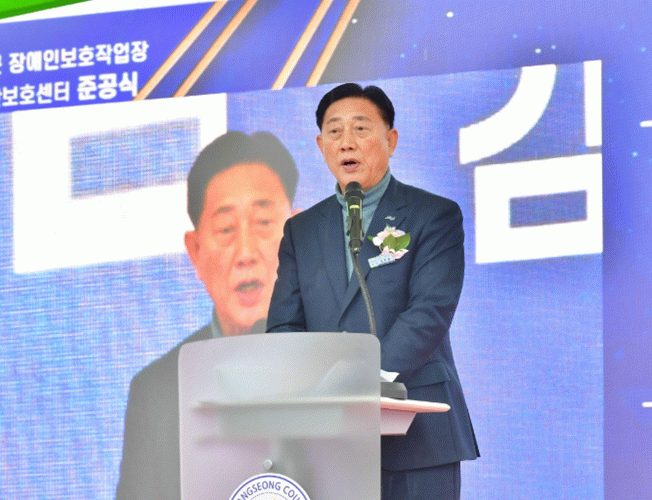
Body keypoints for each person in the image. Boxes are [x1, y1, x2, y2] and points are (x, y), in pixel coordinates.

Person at [267, 83, 479, 499]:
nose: (346, 142)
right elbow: (284, 327)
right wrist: (316, 390)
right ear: (321, 146)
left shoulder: (433, 215)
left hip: (417, 431)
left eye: (361, 128)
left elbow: (429, 311)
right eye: (334, 131)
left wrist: (358, 380)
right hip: (328, 440)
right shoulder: (300, 231)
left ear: (391, 140)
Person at [116, 130, 298, 499]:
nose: (246, 252)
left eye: (264, 223)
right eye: (226, 229)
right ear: (196, 251)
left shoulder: (348, 364)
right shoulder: (158, 394)